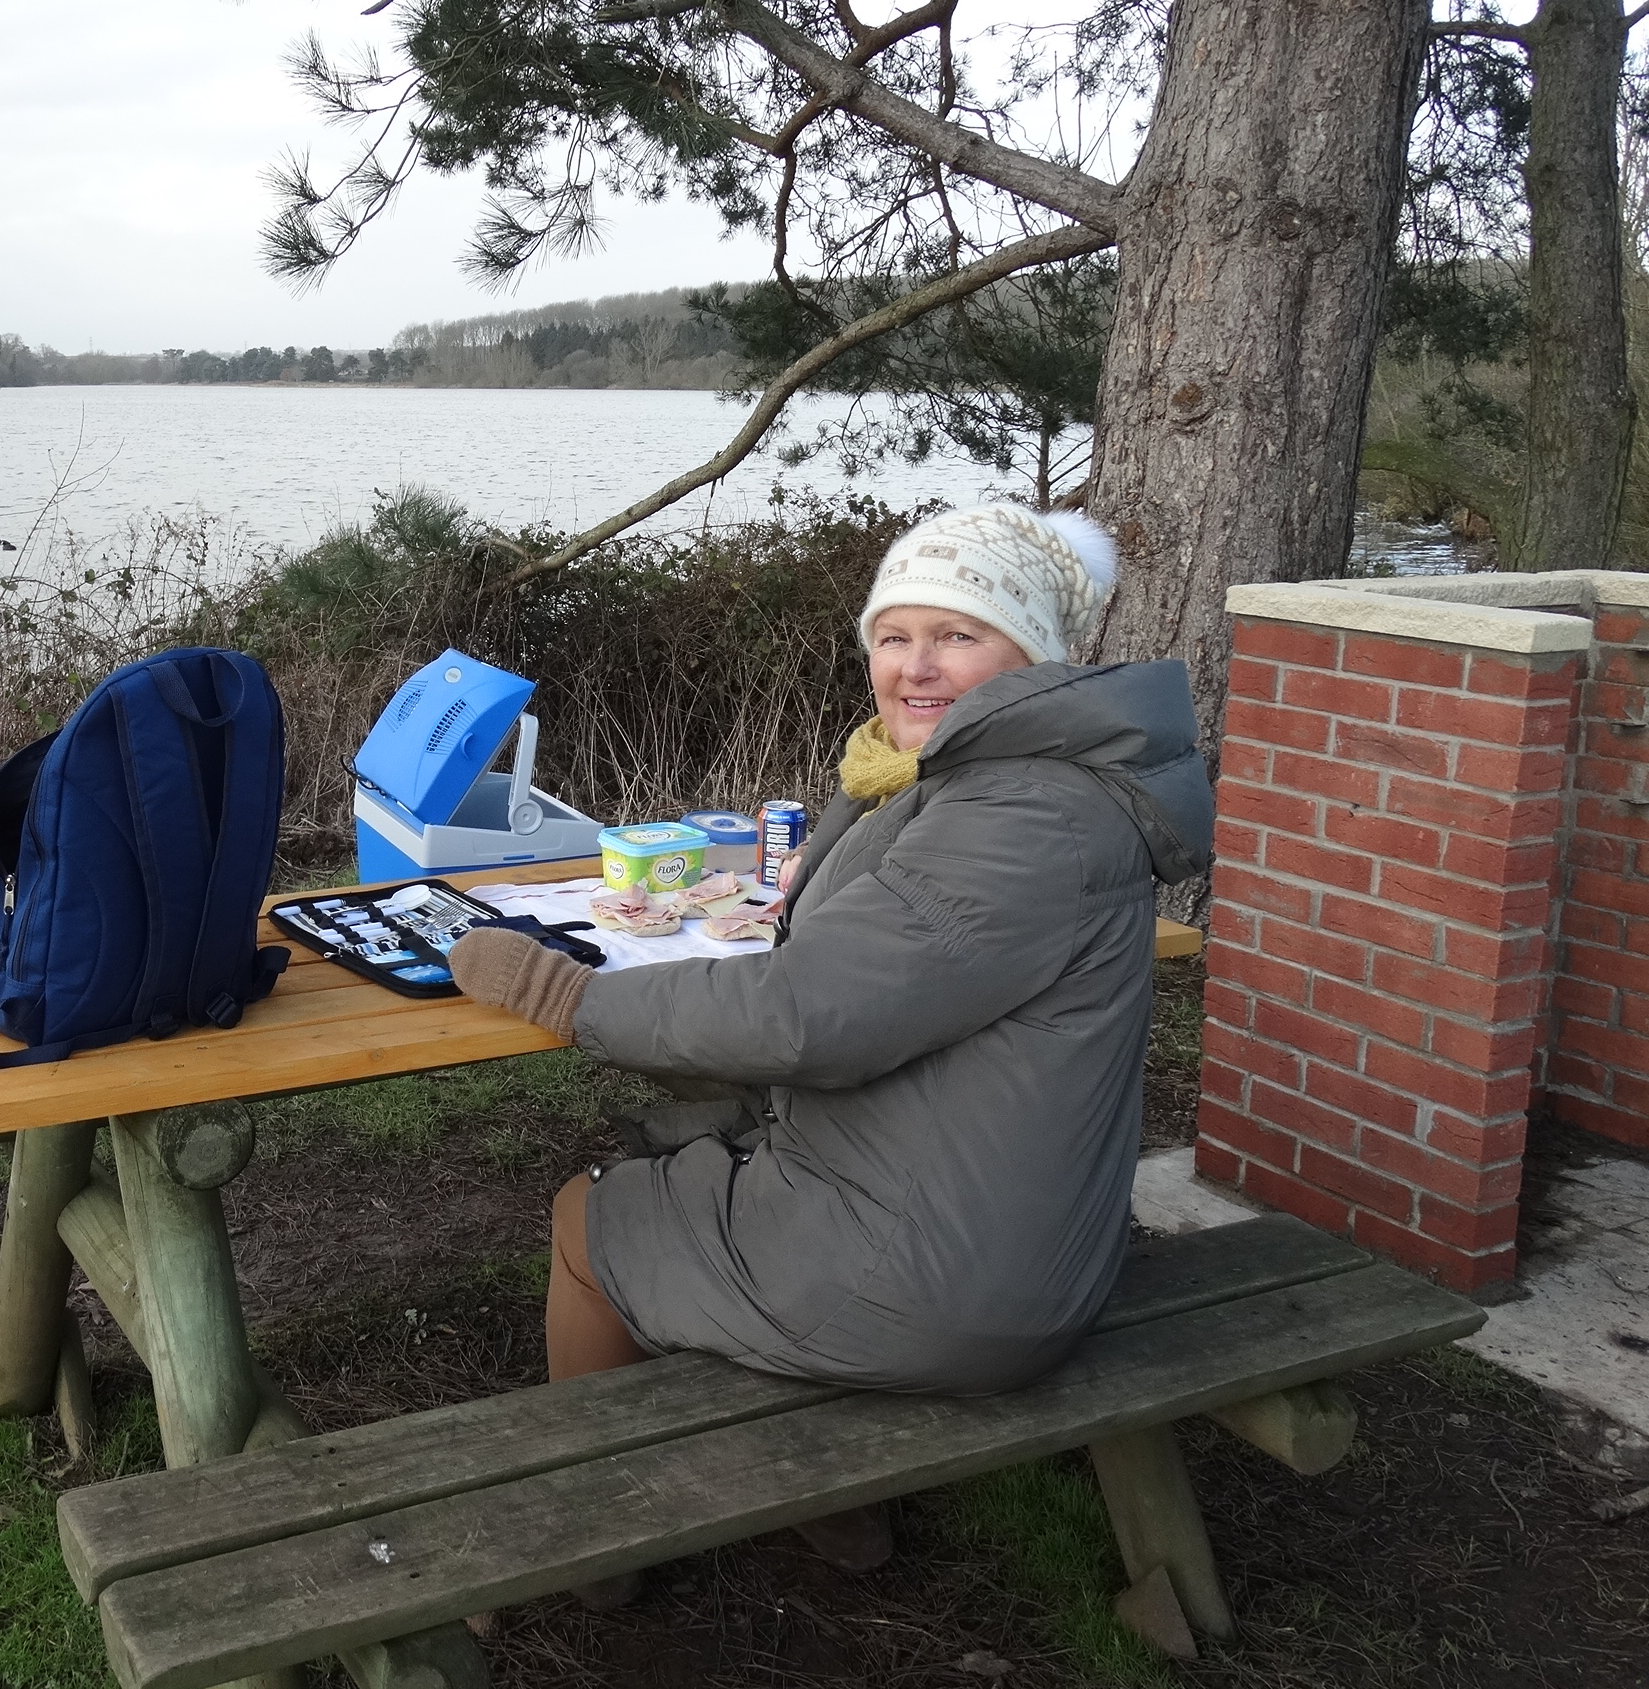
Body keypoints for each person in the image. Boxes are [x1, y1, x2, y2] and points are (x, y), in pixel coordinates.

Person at [447, 502, 1214, 1572]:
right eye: (894, 637)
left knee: (590, 1217)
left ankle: (591, 1541)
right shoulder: (990, 783)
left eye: (957, 634)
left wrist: (559, 990)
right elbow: (903, 963)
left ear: (1034, 655)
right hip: (991, 1230)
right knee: (692, 1157)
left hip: (948, 1282)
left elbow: (804, 1017)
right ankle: (827, 1507)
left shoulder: (1025, 815)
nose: (915, 667)